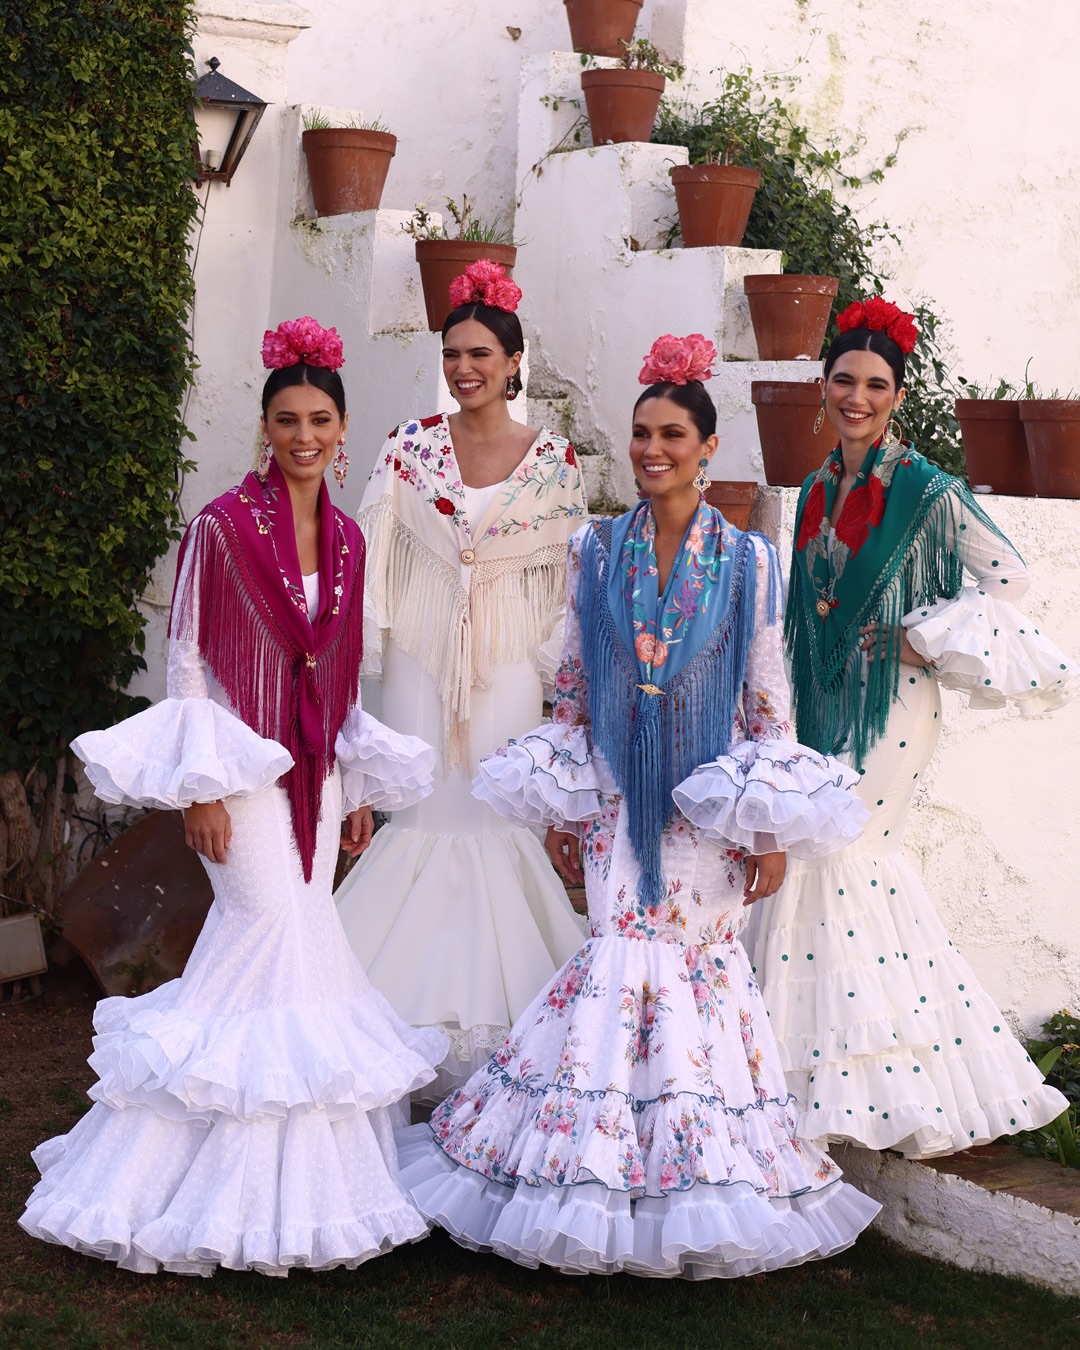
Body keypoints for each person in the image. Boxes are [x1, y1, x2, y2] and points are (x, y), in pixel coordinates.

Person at [394, 333, 880, 1278]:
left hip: (707, 817)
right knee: (617, 959)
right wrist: (568, 812)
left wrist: (767, 827)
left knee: (699, 977)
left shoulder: (748, 564)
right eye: (640, 435)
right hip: (618, 801)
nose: (652, 450)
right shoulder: (596, 550)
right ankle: (590, 1169)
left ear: (705, 447)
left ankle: (700, 1181)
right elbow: (574, 683)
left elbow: (765, 697)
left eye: (671, 435)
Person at [20, 319, 447, 1275]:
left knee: (295, 941)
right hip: (244, 772)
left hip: (320, 773)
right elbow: (186, 662)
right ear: (265, 428)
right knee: (266, 934)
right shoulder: (219, 526)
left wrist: (357, 782)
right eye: (287, 420)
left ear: (344, 431)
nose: (304, 435)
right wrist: (201, 789)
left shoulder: (345, 539)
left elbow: (342, 667)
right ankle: (194, 1184)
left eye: (321, 420)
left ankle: (285, 1179)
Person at [751, 297, 1076, 1159]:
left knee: (849, 858)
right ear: (822, 387)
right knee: (821, 865)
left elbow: (1008, 574)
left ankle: (893, 1087)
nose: (857, 396)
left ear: (897, 397)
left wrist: (921, 637)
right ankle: (819, 1089)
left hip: (892, 707)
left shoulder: (928, 489)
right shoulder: (819, 485)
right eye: (844, 380)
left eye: (876, 385)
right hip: (824, 699)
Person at [334, 260, 587, 1100]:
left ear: (514, 362)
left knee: (492, 812)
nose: (464, 368)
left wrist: (561, 679)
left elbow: (563, 577)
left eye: (480, 353)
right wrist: (370, 649)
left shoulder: (553, 463)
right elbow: (372, 549)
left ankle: (509, 1030)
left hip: (506, 665)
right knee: (424, 808)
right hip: (419, 654)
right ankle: (378, 1018)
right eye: (452, 354)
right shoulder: (409, 447)